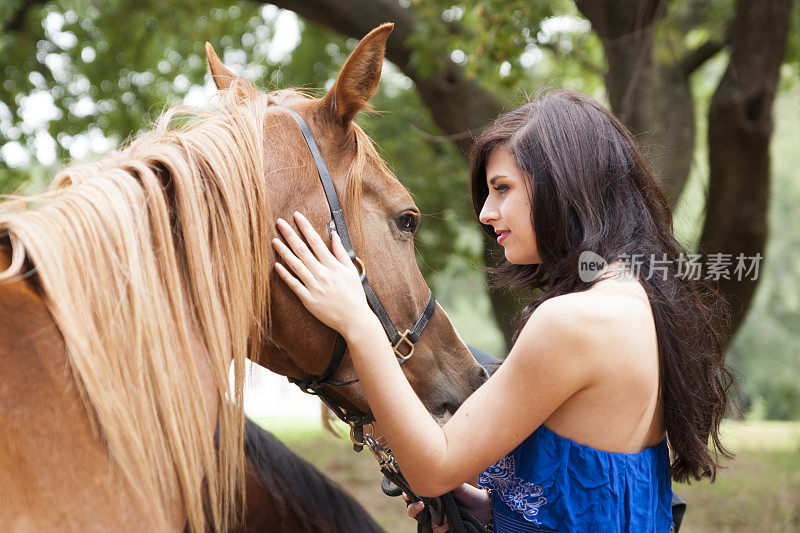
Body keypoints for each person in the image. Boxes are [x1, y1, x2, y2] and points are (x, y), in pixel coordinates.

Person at [271, 88, 733, 532]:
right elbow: (601, 497)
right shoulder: (635, 301)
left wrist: (357, 321)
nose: (486, 213)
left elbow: (435, 469)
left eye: (502, 188)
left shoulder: (571, 323)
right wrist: (498, 511)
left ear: (563, 185)